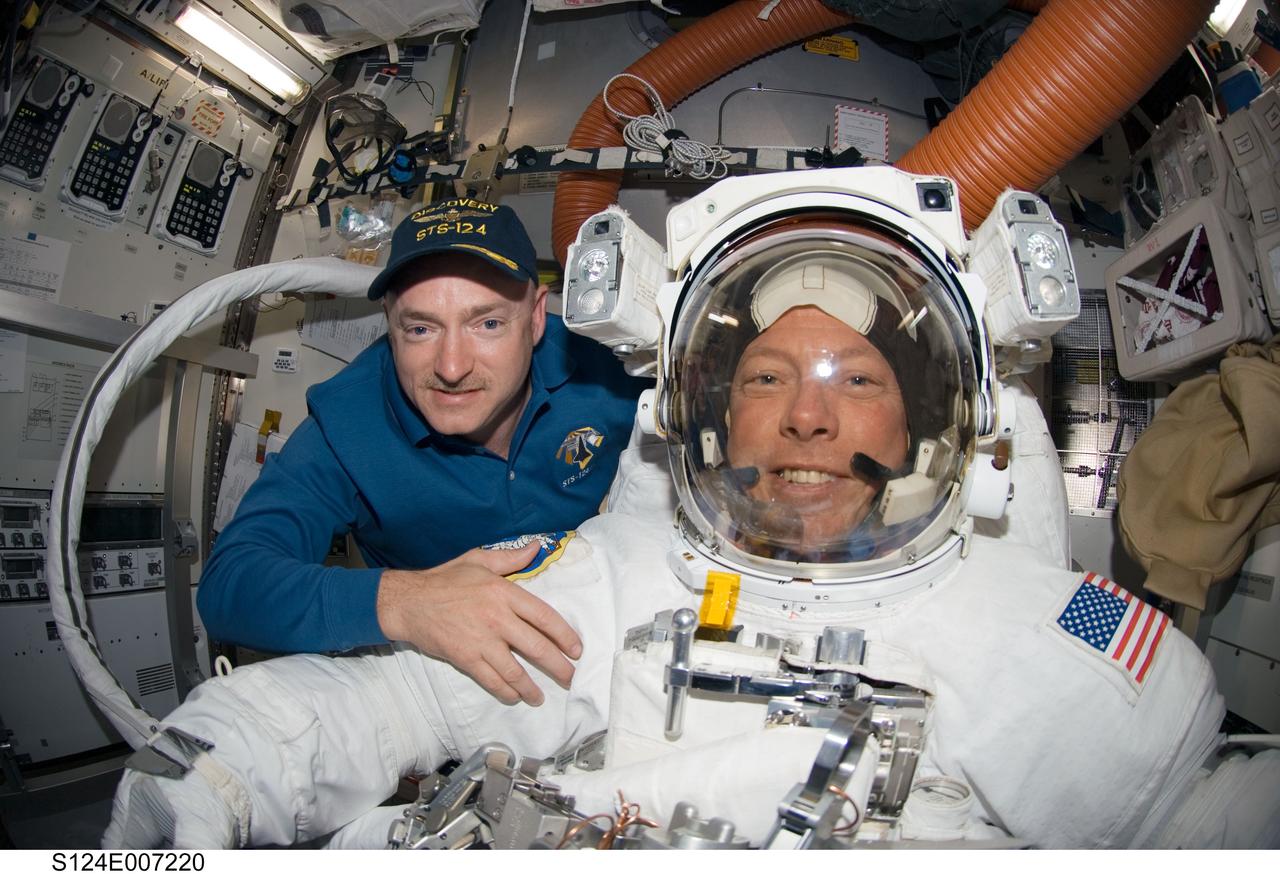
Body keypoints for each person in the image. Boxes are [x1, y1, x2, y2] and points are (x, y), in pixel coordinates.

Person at [108, 228, 1269, 850]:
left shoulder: (1035, 612)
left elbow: (1196, 820)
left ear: (920, 417)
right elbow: (414, 704)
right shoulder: (626, 563)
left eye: (854, 379)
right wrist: (217, 764)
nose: (806, 414)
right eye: (766, 376)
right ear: (710, 414)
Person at [196, 198, 649, 706]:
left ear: (537, 316)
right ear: (389, 324)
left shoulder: (613, 366)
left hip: (624, 635)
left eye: (488, 324)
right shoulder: (347, 427)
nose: (452, 367)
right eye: (420, 329)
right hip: (463, 689)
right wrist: (408, 602)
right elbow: (230, 585)